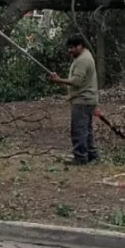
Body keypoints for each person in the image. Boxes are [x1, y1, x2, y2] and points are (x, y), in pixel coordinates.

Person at [48, 34, 99, 165]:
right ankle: (91, 155)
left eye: (72, 48)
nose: (69, 50)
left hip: (82, 100)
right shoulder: (86, 56)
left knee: (79, 130)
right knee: (86, 130)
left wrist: (59, 80)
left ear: (80, 46)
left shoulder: (83, 60)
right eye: (69, 48)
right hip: (88, 99)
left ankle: (81, 158)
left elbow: (77, 81)